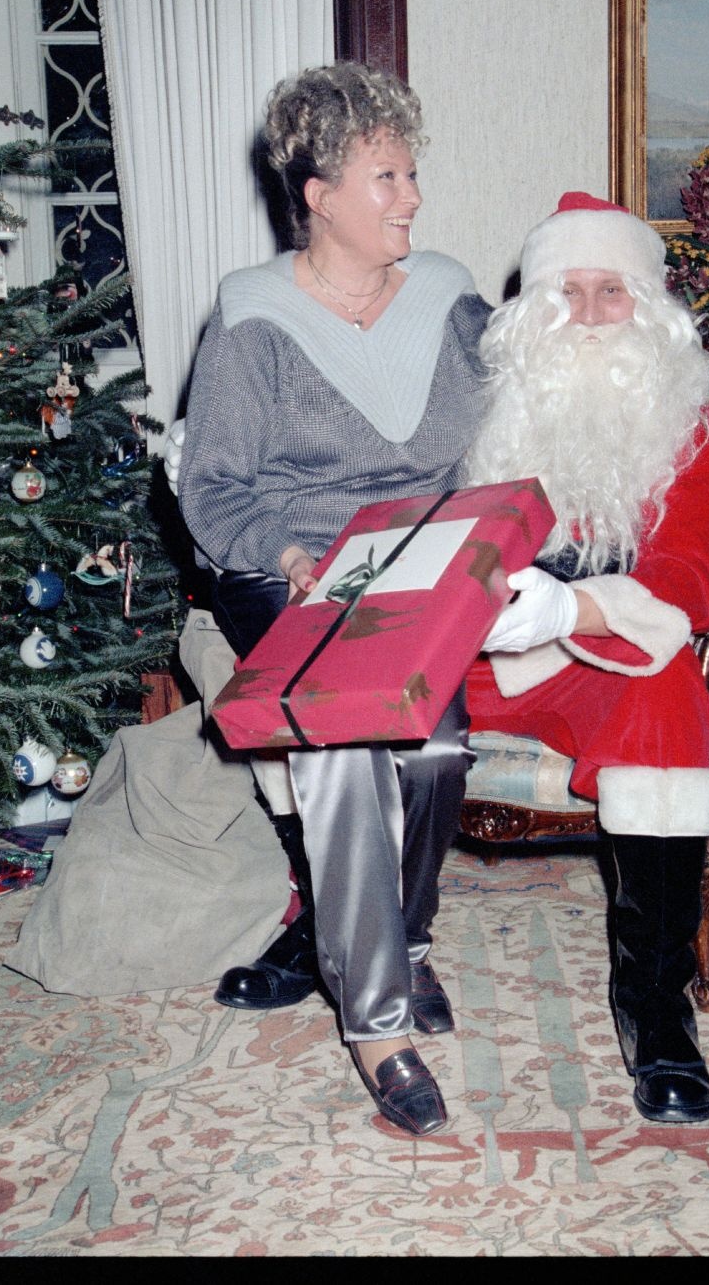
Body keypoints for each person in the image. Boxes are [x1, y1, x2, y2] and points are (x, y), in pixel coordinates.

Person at [174, 61, 491, 1137]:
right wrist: (289, 551)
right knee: (349, 744)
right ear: (318, 195)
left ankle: (401, 935)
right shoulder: (251, 324)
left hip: (427, 565)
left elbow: (512, 431)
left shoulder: (449, 298)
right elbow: (212, 490)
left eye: (411, 173)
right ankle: (378, 1021)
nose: (411, 195)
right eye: (386, 176)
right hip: (297, 570)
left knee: (439, 750)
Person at [467, 192, 709, 1124]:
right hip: (485, 659)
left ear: (650, 308)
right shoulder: (487, 416)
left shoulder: (693, 429)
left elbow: (691, 578)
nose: (585, 315)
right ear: (530, 312)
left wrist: (570, 606)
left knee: (666, 696)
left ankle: (655, 1008)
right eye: (565, 292)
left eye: (610, 292)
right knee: (367, 681)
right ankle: (336, 944)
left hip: (604, 659)